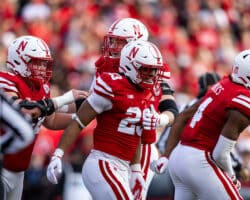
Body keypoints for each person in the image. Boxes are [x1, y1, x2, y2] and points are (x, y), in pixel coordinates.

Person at [150, 49, 250, 199]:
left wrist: (167, 156)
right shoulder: (248, 101)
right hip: (199, 160)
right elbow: (220, 154)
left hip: (179, 157)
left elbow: (183, 117)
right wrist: (231, 176)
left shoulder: (224, 85)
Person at [46, 40, 165, 199]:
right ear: (129, 65)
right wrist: (58, 154)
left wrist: (136, 169)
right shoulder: (112, 86)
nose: (151, 75)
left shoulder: (146, 94)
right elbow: (79, 122)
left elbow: (134, 132)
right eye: (146, 69)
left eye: (154, 70)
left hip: (123, 167)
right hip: (103, 163)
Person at [91, 17, 178, 199]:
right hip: (111, 148)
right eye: (112, 41)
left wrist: (161, 118)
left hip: (141, 146)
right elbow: (88, 105)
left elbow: (171, 109)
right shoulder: (106, 67)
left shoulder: (149, 70)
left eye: (119, 42)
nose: (113, 46)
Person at [0, 35, 89, 200]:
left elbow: (52, 120)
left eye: (43, 62)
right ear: (19, 60)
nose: (41, 67)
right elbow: (24, 109)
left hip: (18, 169)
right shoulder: (6, 80)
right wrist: (65, 98)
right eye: (36, 62)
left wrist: (85, 115)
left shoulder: (40, 87)